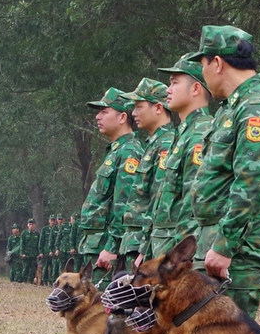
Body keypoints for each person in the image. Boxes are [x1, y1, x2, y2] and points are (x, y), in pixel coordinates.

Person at [188, 26, 260, 316]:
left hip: (238, 249)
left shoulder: (255, 108)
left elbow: (251, 183)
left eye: (203, 65)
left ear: (217, 63)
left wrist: (224, 245)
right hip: (217, 240)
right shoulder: (232, 108)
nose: (203, 75)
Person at [143, 54, 215, 261]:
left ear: (195, 89)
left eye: (175, 83)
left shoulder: (201, 133)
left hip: (178, 249)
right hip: (165, 243)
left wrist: (181, 256)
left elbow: (194, 202)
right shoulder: (181, 133)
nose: (168, 89)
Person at [77, 87, 142, 280]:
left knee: (102, 306)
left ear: (122, 117)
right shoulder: (116, 151)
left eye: (104, 111)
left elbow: (125, 205)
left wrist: (112, 247)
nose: (98, 117)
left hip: (107, 248)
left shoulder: (129, 151)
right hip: (97, 244)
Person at [116, 77, 176, 264]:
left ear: (158, 108)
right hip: (136, 242)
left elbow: (159, 201)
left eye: (139, 106)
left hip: (147, 244)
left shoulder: (166, 144)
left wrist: (145, 248)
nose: (133, 113)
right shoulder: (153, 143)